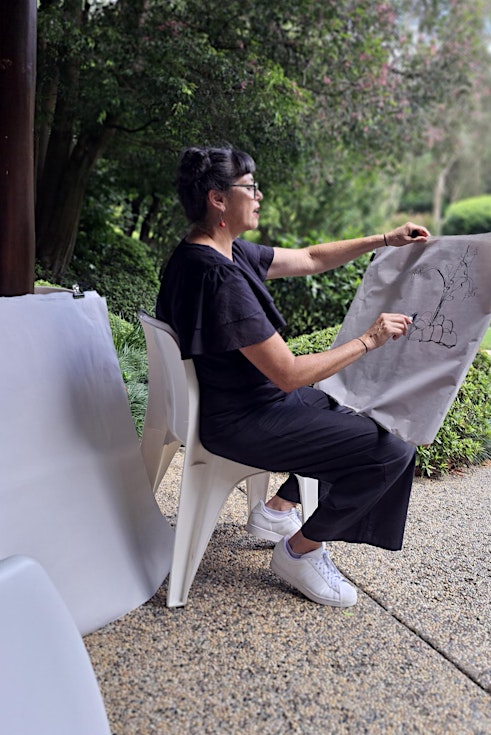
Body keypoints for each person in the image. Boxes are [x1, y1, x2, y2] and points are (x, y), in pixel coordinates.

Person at [156, 145, 430, 607]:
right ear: (218, 199)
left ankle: (278, 508)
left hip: (238, 403)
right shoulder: (219, 280)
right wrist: (370, 339)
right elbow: (288, 374)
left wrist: (385, 239)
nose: (259, 196)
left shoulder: (210, 252)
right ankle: (299, 552)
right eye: (250, 187)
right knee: (392, 451)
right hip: (244, 419)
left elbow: (309, 258)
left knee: (358, 414)